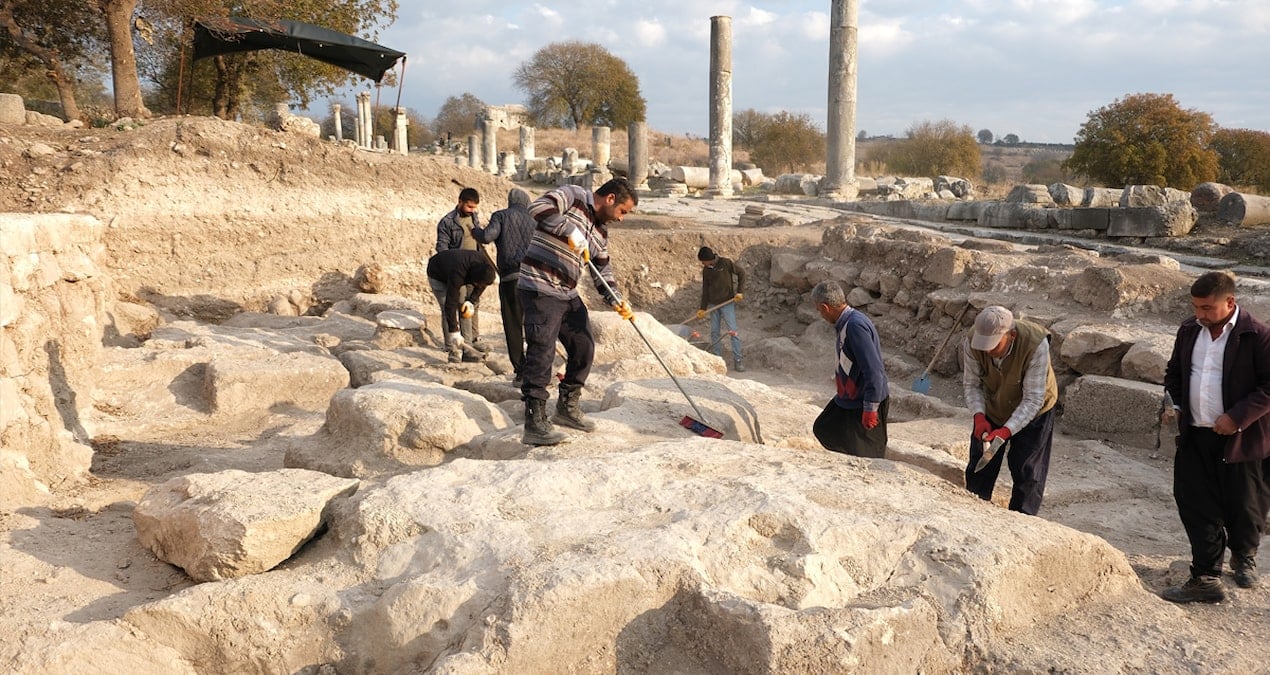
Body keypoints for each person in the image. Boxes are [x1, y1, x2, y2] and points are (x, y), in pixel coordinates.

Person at [1160, 271, 1270, 603]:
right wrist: (1175, 405)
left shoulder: (1258, 335)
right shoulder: (1189, 330)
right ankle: (1206, 575)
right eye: (1196, 307)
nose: (1200, 314)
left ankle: (1244, 557)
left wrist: (1235, 418)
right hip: (1195, 434)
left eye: (1207, 308)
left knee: (1245, 504)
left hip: (1242, 438)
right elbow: (1175, 372)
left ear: (1230, 302)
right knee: (1194, 501)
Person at [517, 178, 637, 446]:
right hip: (539, 286)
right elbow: (538, 207)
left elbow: (602, 269)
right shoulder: (573, 196)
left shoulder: (601, 231)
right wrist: (568, 230)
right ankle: (534, 422)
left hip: (567, 292)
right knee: (542, 350)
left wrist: (616, 299)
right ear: (610, 199)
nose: (622, 219)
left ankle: (566, 408)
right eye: (623, 211)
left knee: (583, 346)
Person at [961, 305, 1058, 516]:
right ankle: (974, 512)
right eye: (983, 344)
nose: (987, 350)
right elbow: (971, 385)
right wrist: (979, 416)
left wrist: (1005, 432)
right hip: (994, 403)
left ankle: (1022, 519)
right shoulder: (971, 342)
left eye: (994, 345)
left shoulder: (1035, 345)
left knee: (1027, 469)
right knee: (981, 462)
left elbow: (1032, 400)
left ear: (1011, 335)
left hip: (1035, 410)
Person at [810, 280, 889, 458]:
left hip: (863, 401)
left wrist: (870, 408)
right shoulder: (846, 323)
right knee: (824, 428)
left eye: (819, 309)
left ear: (825, 307)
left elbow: (874, 370)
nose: (819, 314)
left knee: (868, 455)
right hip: (849, 398)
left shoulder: (854, 326)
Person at [472, 188, 537, 387]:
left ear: (510, 201)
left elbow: (486, 237)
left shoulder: (501, 215)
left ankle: (521, 371)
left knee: (513, 325)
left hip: (511, 279)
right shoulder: (536, 221)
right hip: (534, 280)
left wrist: (475, 226)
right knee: (535, 325)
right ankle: (537, 369)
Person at [435, 187, 488, 348]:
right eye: (469, 207)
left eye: (474, 208)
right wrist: (452, 267)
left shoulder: (474, 217)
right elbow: (442, 248)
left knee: (473, 304)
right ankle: (451, 344)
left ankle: (473, 339)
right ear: (460, 202)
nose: (472, 210)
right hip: (457, 271)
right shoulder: (447, 222)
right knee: (453, 305)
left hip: (475, 269)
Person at [426, 248, 496, 363]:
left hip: (458, 269)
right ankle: (452, 350)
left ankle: (468, 351)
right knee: (446, 308)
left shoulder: (486, 269)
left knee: (465, 309)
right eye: (477, 284)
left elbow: (481, 286)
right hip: (437, 273)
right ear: (474, 279)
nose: (479, 286)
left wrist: (471, 301)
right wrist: (454, 331)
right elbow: (450, 304)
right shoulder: (458, 272)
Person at [696, 246, 747, 372]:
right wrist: (703, 308)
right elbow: (705, 290)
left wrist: (740, 292)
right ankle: (717, 360)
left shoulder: (726, 263)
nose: (703, 264)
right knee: (714, 332)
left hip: (727, 303)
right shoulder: (706, 270)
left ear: (709, 259)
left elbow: (742, 273)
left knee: (733, 331)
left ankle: (738, 361)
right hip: (714, 305)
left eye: (703, 261)